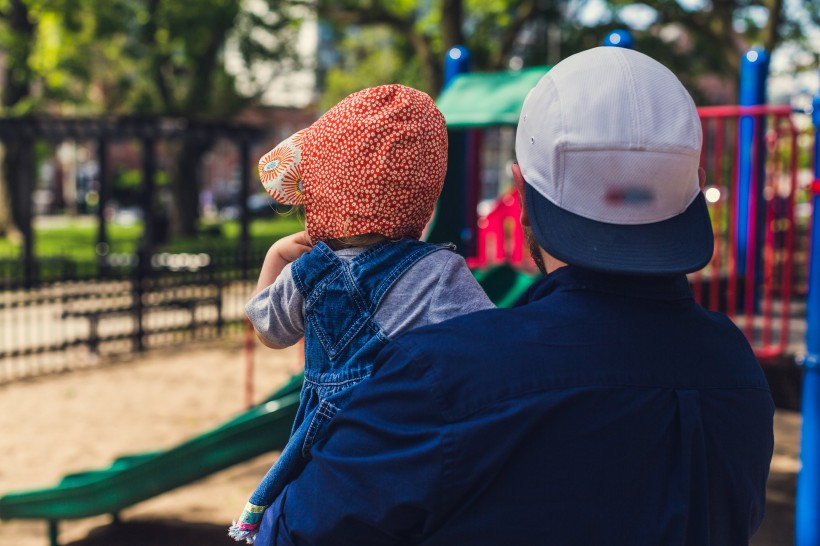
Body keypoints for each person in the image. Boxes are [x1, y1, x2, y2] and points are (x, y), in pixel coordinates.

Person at [252, 47, 774, 545]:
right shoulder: (737, 371)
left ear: (522, 195)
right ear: (695, 186)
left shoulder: (444, 377)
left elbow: (296, 532)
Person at [228, 84, 494, 542]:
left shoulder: (309, 272)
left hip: (329, 457)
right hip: (412, 445)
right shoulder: (439, 271)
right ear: (421, 194)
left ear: (326, 191)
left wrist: (276, 256)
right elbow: (488, 343)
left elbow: (269, 329)